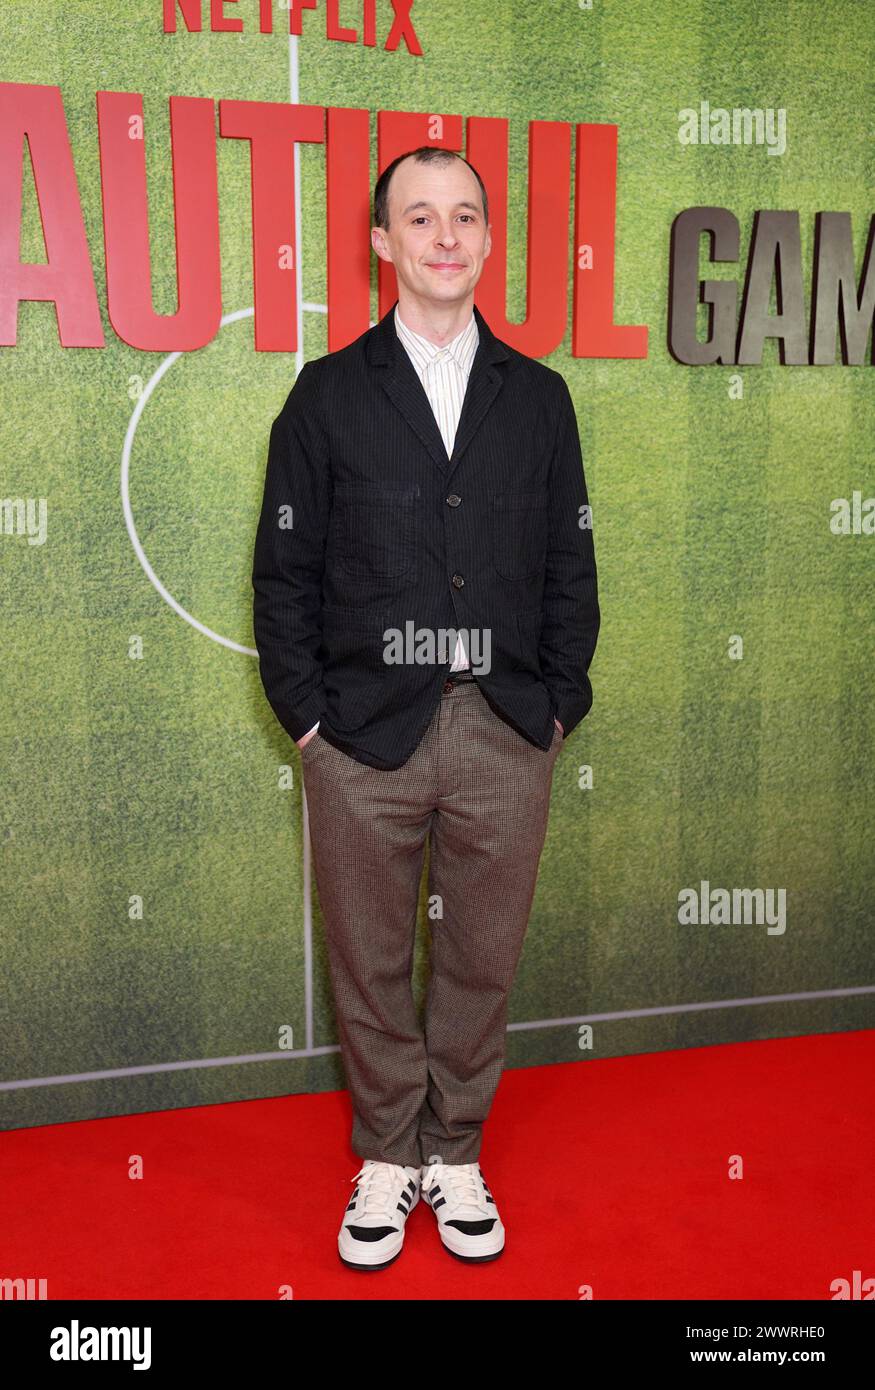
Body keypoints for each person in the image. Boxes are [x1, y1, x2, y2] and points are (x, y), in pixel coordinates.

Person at [252, 145, 600, 1270]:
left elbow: (568, 565)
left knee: (478, 960)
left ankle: (453, 1151)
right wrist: (307, 720)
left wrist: (557, 705)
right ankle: (386, 1154)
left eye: (463, 217)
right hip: (361, 735)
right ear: (382, 241)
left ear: (487, 241)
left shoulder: (539, 398)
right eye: (419, 217)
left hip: (506, 727)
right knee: (364, 957)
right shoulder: (324, 393)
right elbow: (282, 574)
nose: (443, 237)